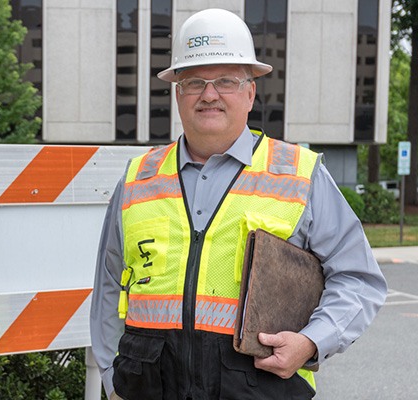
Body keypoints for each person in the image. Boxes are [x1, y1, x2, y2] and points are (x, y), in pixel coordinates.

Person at [90, 8, 387, 400]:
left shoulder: (299, 174)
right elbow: (109, 287)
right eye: (195, 81)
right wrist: (113, 379)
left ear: (250, 92)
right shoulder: (137, 178)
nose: (209, 94)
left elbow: (358, 279)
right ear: (177, 92)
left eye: (226, 80)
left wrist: (311, 342)